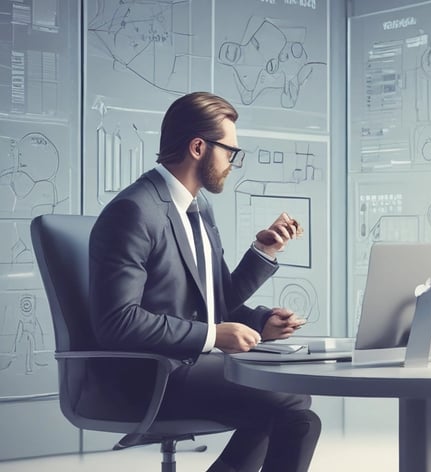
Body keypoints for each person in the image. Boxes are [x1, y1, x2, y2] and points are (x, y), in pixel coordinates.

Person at [89, 91, 319, 472]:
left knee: (289, 407)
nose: (233, 163)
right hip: (152, 376)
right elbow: (118, 322)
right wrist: (212, 336)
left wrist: (261, 308)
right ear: (198, 147)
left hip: (191, 365)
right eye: (230, 152)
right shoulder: (134, 211)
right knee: (291, 405)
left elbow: (216, 300)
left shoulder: (198, 208)